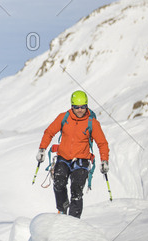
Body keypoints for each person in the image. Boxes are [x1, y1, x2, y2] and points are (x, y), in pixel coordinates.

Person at [36, 90, 109, 218]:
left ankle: (73, 222)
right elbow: (49, 133)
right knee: (59, 183)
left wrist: (104, 160)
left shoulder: (92, 123)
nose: (80, 110)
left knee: (76, 189)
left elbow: (102, 143)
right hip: (63, 158)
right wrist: (42, 149)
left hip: (81, 160)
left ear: (86, 106)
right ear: (72, 106)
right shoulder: (63, 118)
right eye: (76, 107)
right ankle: (62, 210)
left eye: (83, 107)